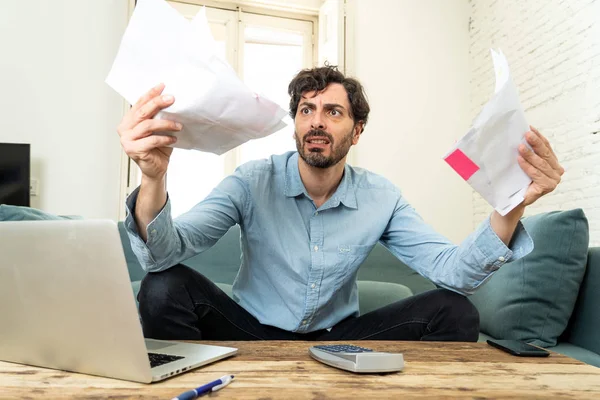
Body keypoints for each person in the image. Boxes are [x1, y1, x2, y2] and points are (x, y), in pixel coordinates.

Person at [117, 66, 564, 342]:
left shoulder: (381, 196)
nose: (316, 121)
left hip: (340, 338)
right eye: (306, 109)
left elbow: (453, 272)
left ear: (357, 129)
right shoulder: (252, 181)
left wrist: (511, 204)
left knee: (455, 310)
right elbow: (163, 254)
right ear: (294, 123)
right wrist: (153, 176)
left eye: (333, 111)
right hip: (250, 329)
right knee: (163, 285)